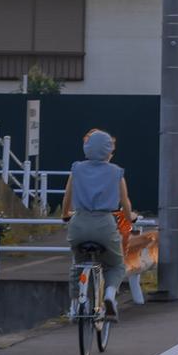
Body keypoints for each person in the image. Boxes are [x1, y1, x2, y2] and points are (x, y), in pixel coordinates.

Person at [62, 129, 134, 318]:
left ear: (87, 149)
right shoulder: (116, 172)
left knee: (77, 264)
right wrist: (130, 217)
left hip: (79, 223)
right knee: (116, 265)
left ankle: (75, 305)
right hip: (104, 225)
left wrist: (64, 215)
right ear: (109, 152)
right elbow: (124, 202)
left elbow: (67, 196)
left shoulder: (76, 169)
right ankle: (109, 295)